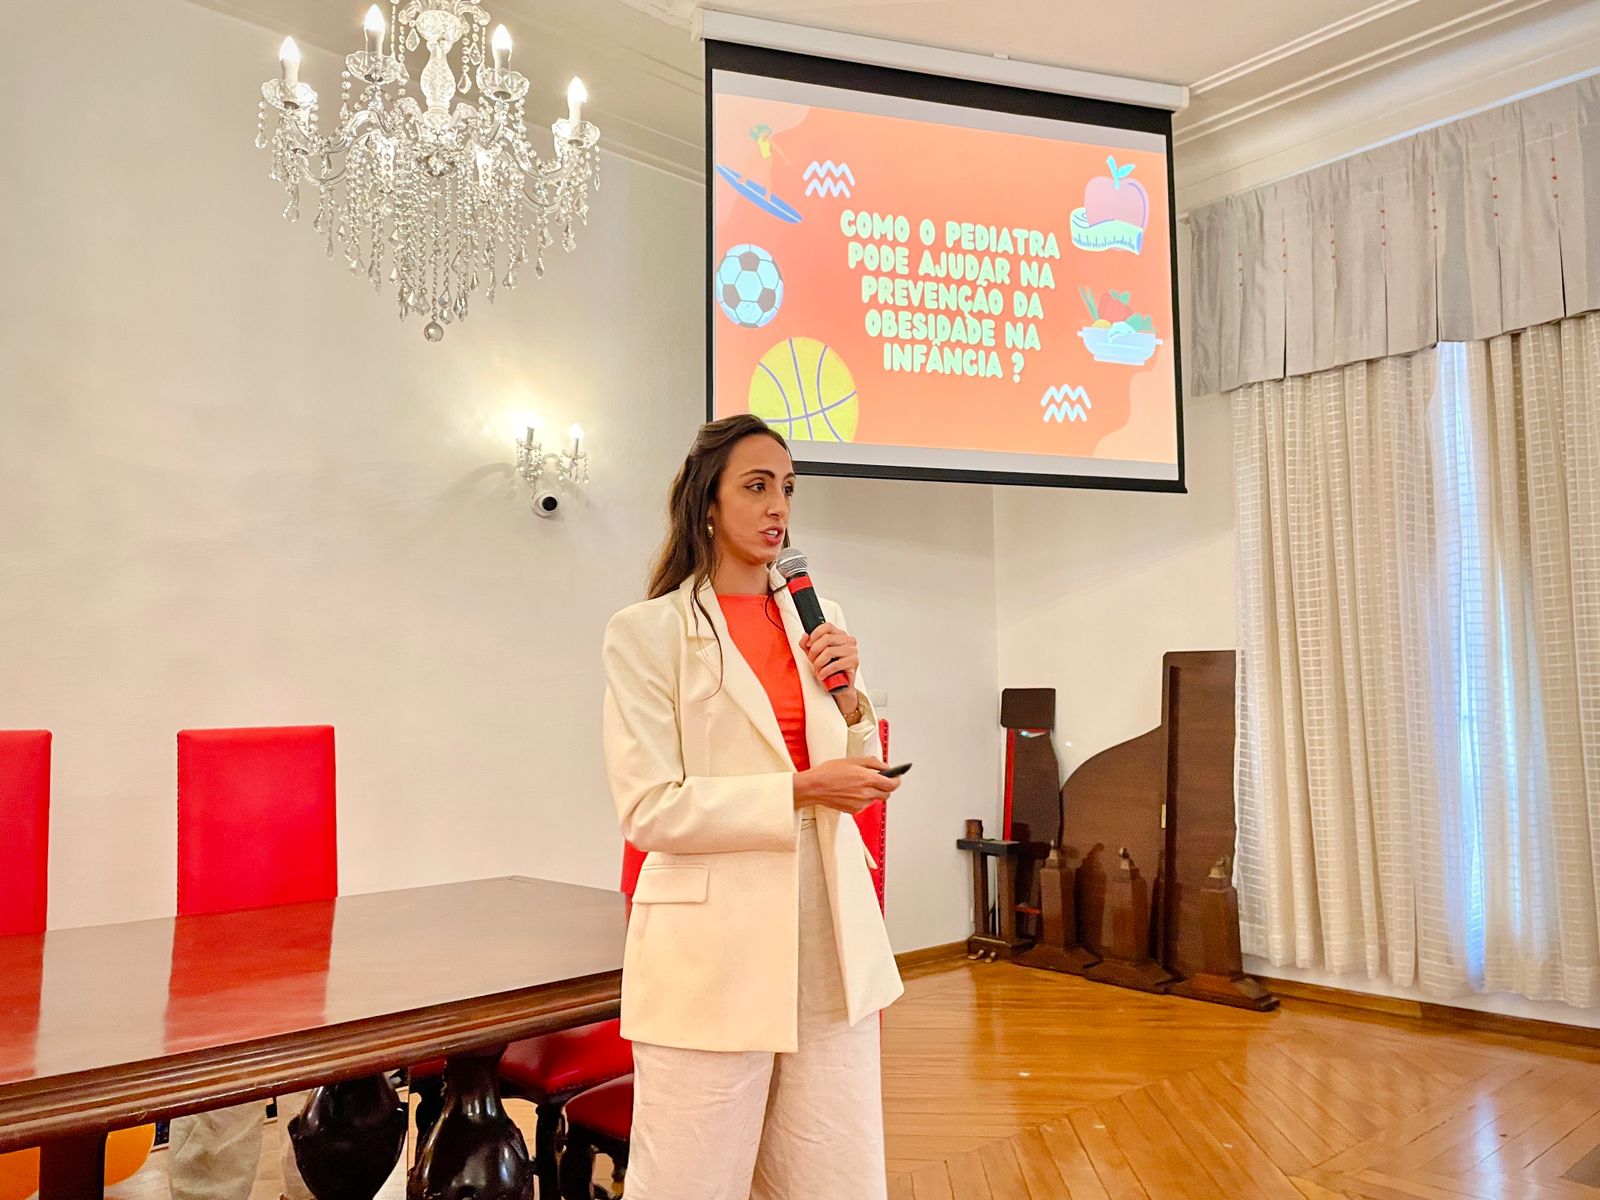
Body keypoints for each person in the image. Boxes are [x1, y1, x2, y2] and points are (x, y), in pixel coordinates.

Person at [602, 414, 904, 1200]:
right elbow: (651, 809)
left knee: (830, 1173)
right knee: (691, 1178)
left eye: (789, 489)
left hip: (827, 928)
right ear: (708, 502)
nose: (779, 507)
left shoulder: (819, 616)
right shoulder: (647, 632)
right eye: (757, 486)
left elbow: (859, 758)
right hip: (713, 946)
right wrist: (801, 789)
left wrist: (854, 697)